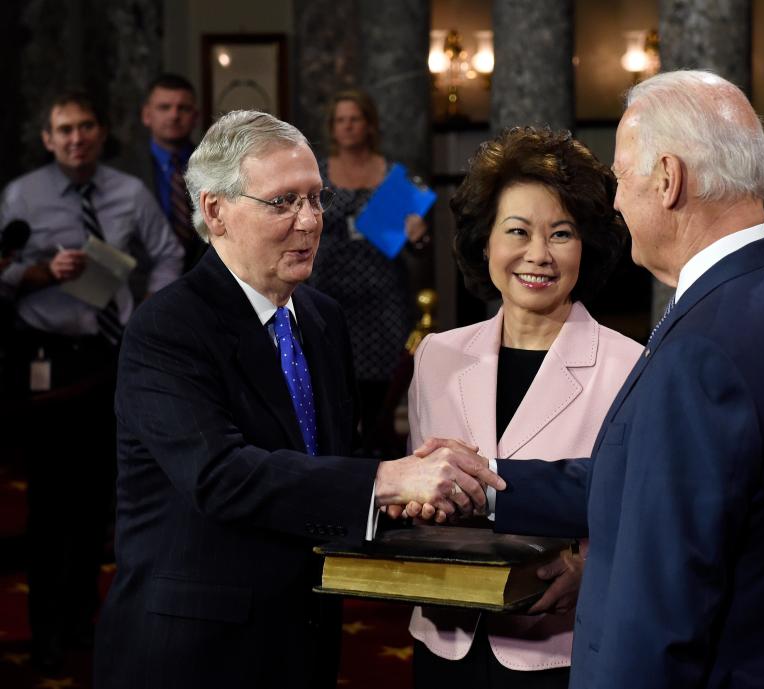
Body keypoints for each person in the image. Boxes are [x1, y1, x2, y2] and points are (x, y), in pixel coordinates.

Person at [415, 70, 764, 689]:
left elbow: (659, 605)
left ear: (669, 179)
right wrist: (484, 488)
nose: (618, 202)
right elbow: (640, 480)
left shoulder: (705, 346)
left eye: (623, 177)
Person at [92, 109, 502, 689]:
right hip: (194, 651)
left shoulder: (321, 318)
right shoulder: (167, 327)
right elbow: (220, 475)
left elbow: (328, 461)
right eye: (283, 202)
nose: (310, 221)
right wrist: (386, 481)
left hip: (302, 635)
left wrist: (414, 491)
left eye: (316, 198)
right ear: (215, 211)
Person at [406, 127, 642, 688]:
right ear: (485, 242)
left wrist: (592, 573)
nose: (538, 255)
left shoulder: (630, 366)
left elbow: (643, 516)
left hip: (557, 648)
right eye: (518, 231)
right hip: (447, 636)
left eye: (561, 234)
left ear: (587, 246)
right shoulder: (436, 356)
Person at [0, 90, 183, 672]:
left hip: (113, 359)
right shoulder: (20, 195)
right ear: (48, 139)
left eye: (85, 127)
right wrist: (38, 271)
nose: (75, 137)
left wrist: (152, 315)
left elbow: (169, 253)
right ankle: (46, 632)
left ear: (102, 133)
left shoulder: (128, 193)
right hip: (50, 363)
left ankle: (86, 627)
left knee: (99, 503)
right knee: (50, 506)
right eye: (64, 129)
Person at [308, 89, 428, 457]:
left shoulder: (392, 174)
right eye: (340, 120)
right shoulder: (316, 173)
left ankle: (381, 460)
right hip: (329, 289)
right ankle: (342, 463)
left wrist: (418, 233)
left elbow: (417, 244)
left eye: (354, 119)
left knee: (384, 388)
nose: (347, 126)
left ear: (369, 124)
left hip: (384, 295)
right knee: (335, 380)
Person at [115, 73, 207, 271]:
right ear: (146, 115)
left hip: (204, 282)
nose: (174, 115)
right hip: (141, 286)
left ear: (196, 117)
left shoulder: (215, 166)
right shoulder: (121, 170)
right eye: (164, 107)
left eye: (183, 108)